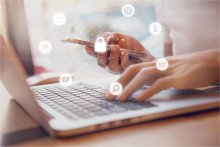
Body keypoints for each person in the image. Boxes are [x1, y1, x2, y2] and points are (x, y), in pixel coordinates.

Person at [85, 0, 220, 102]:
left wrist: (215, 61)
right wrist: (148, 65)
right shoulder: (165, 3)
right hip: (193, 107)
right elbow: (174, 66)